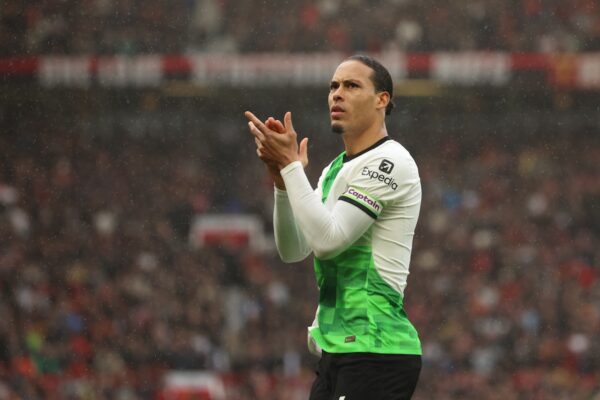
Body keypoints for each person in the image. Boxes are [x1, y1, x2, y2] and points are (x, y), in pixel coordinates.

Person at [245, 54, 422, 400]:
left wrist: (292, 167)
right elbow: (294, 248)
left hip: (377, 349)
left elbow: (328, 241)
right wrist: (283, 181)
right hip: (337, 352)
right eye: (333, 86)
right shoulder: (333, 170)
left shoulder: (390, 162)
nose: (337, 94)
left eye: (352, 85)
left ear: (381, 100)